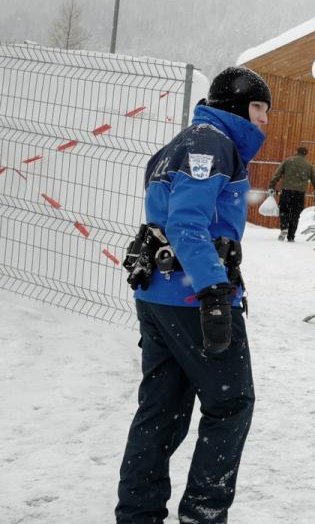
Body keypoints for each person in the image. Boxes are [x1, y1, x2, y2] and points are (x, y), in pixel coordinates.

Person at [115, 66, 269, 523]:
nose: (265, 120)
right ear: (239, 107)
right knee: (231, 404)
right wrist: (214, 291)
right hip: (193, 298)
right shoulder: (211, 144)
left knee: (161, 410)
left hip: (158, 296)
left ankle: (138, 514)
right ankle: (203, 514)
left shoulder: (177, 144)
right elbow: (186, 224)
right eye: (260, 108)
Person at [269, 146, 315, 242]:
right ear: (305, 154)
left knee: (284, 210)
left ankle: (284, 227)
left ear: (296, 152)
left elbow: (277, 174)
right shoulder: (308, 165)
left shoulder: (288, 161)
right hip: (300, 193)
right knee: (295, 214)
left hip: (287, 191)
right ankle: (291, 236)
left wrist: (272, 186)